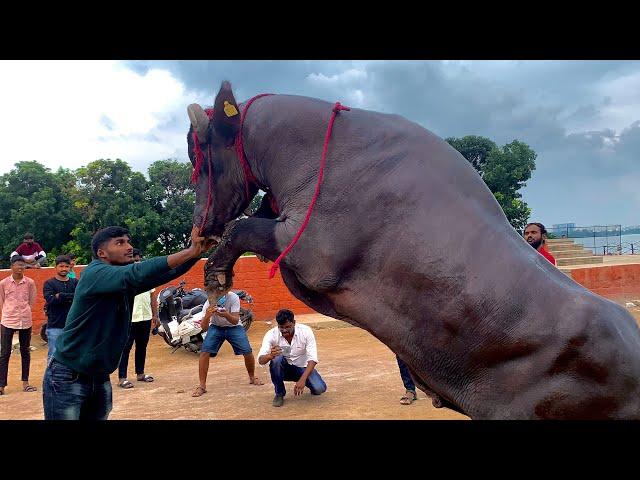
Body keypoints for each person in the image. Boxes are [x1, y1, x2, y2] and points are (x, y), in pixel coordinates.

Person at [42, 225, 212, 420]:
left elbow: (164, 274)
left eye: (128, 241)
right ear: (102, 253)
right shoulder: (95, 273)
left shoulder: (121, 281)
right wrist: (189, 251)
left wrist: (198, 253)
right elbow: (137, 272)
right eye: (120, 243)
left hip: (99, 375)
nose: (129, 246)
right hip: (68, 375)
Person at [192, 287, 263, 397]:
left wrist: (225, 314)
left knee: (247, 350)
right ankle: (202, 386)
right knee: (204, 352)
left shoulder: (233, 297)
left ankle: (252, 377)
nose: (219, 295)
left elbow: (235, 320)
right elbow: (204, 328)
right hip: (216, 327)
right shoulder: (208, 304)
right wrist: (207, 316)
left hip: (233, 327)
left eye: (221, 293)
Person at [257, 309, 326, 407]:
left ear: (294, 323)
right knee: (277, 359)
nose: (284, 330)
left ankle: (304, 380)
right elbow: (261, 360)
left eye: (288, 327)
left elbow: (313, 358)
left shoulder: (306, 331)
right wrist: (270, 356)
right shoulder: (271, 335)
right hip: (284, 370)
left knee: (319, 389)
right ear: (277, 325)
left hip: (303, 368)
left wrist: (303, 379)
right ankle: (279, 394)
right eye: (281, 327)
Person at [117, 248, 159, 389]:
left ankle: (140, 374)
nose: (137, 262)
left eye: (138, 259)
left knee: (142, 346)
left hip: (145, 317)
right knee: (126, 347)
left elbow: (153, 298)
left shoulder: (147, 278)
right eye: (134, 260)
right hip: (130, 319)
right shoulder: (125, 278)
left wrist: (155, 315)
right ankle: (122, 378)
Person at [0, 256, 37, 395]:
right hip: (8, 320)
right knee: (4, 353)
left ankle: (25, 382)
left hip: (25, 320)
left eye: (22, 265)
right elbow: (1, 302)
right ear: (11, 266)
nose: (20, 267)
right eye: (18, 265)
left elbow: (32, 301)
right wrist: (8, 313)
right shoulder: (3, 283)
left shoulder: (30, 283)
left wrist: (25, 311)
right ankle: (1, 385)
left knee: (25, 351)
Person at [42, 255, 78, 360]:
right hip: (55, 325)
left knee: (72, 355)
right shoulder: (49, 283)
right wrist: (70, 296)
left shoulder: (75, 282)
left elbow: (80, 298)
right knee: (54, 355)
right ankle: (51, 377)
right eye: (61, 266)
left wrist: (60, 295)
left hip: (72, 325)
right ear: (55, 267)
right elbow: (51, 300)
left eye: (66, 266)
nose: (64, 269)